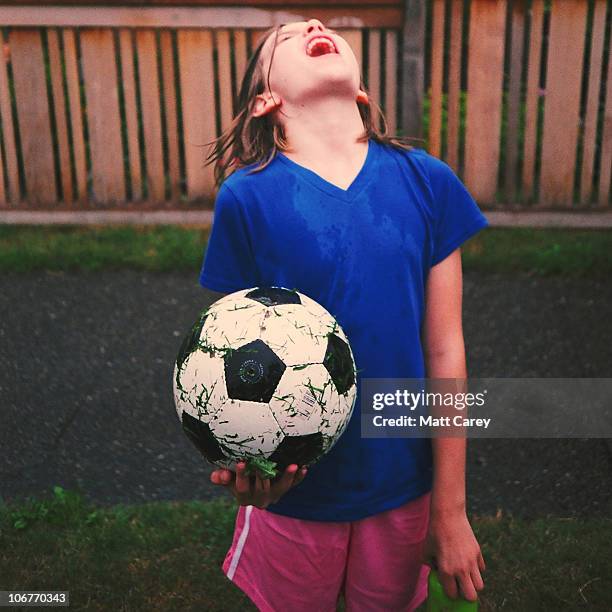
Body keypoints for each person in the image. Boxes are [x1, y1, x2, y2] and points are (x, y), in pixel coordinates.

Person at [198, 18, 487, 611]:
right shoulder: (246, 197)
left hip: (403, 484)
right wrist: (250, 461)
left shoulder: (427, 181)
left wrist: (451, 510)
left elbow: (445, 350)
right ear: (265, 98)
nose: (313, 23)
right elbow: (227, 364)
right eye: (285, 35)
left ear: (361, 91)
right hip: (298, 492)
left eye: (320, 25)